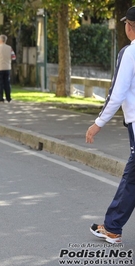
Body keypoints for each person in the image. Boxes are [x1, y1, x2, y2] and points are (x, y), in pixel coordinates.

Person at [87, 6, 135, 245]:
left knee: (132, 177)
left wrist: (98, 123)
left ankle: (113, 228)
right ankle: (113, 226)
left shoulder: (130, 52)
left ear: (129, 27)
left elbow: (117, 93)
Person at [0, 34, 16, 103]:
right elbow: (13, 57)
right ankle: (8, 98)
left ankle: (1, 98)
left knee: (0, 83)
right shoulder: (9, 48)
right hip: (7, 67)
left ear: (0, 40)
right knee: (7, 83)